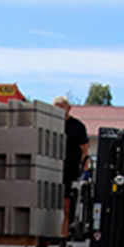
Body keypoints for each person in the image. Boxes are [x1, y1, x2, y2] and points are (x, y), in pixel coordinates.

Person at [55, 96, 89, 238]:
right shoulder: (51, 124)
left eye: (62, 107)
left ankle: (64, 235)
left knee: (66, 206)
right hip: (52, 169)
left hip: (69, 170)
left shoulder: (77, 126)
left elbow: (84, 148)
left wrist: (83, 167)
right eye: (57, 107)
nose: (59, 110)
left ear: (69, 108)